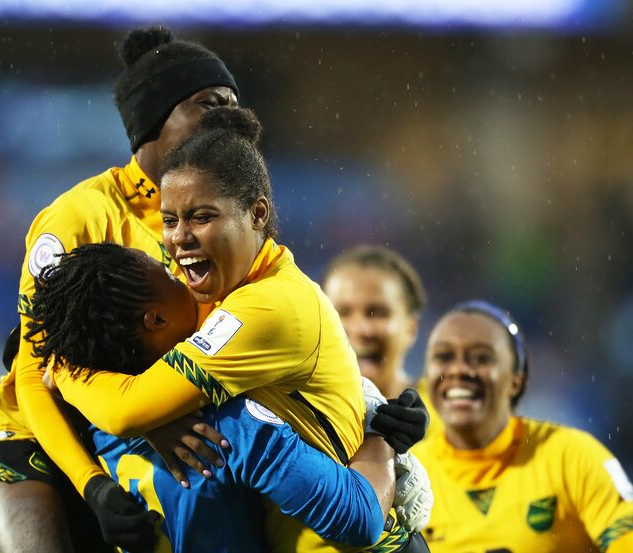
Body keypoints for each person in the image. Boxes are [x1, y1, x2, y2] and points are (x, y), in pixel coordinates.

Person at [49, 107, 431, 552]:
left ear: (256, 214)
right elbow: (129, 410)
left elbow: (125, 410)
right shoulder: (216, 431)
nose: (176, 242)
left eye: (201, 217)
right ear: (152, 321)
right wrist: (381, 444)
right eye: (169, 220)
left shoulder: (264, 308)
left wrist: (59, 371)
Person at [0, 25, 240, 553]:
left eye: (233, 103)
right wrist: (93, 485)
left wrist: (369, 414)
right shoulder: (79, 218)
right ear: (156, 120)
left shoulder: (229, 226)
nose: (228, 117)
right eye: (208, 103)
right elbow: (37, 379)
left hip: (154, 440)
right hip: (37, 448)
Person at [26, 241, 422, 551]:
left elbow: (53, 378)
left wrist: (63, 369)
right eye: (168, 273)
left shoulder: (94, 424)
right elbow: (361, 518)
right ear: (156, 320)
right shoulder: (231, 429)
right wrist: (379, 435)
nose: (182, 274)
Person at [415, 300, 633, 552]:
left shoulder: (571, 456)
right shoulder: (407, 474)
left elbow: (632, 542)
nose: (458, 369)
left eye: (481, 358)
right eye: (444, 356)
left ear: (516, 380)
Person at [322, 245, 441, 439]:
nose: (360, 330)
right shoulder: (295, 421)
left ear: (411, 328)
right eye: (341, 312)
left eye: (377, 312)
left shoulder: (451, 420)